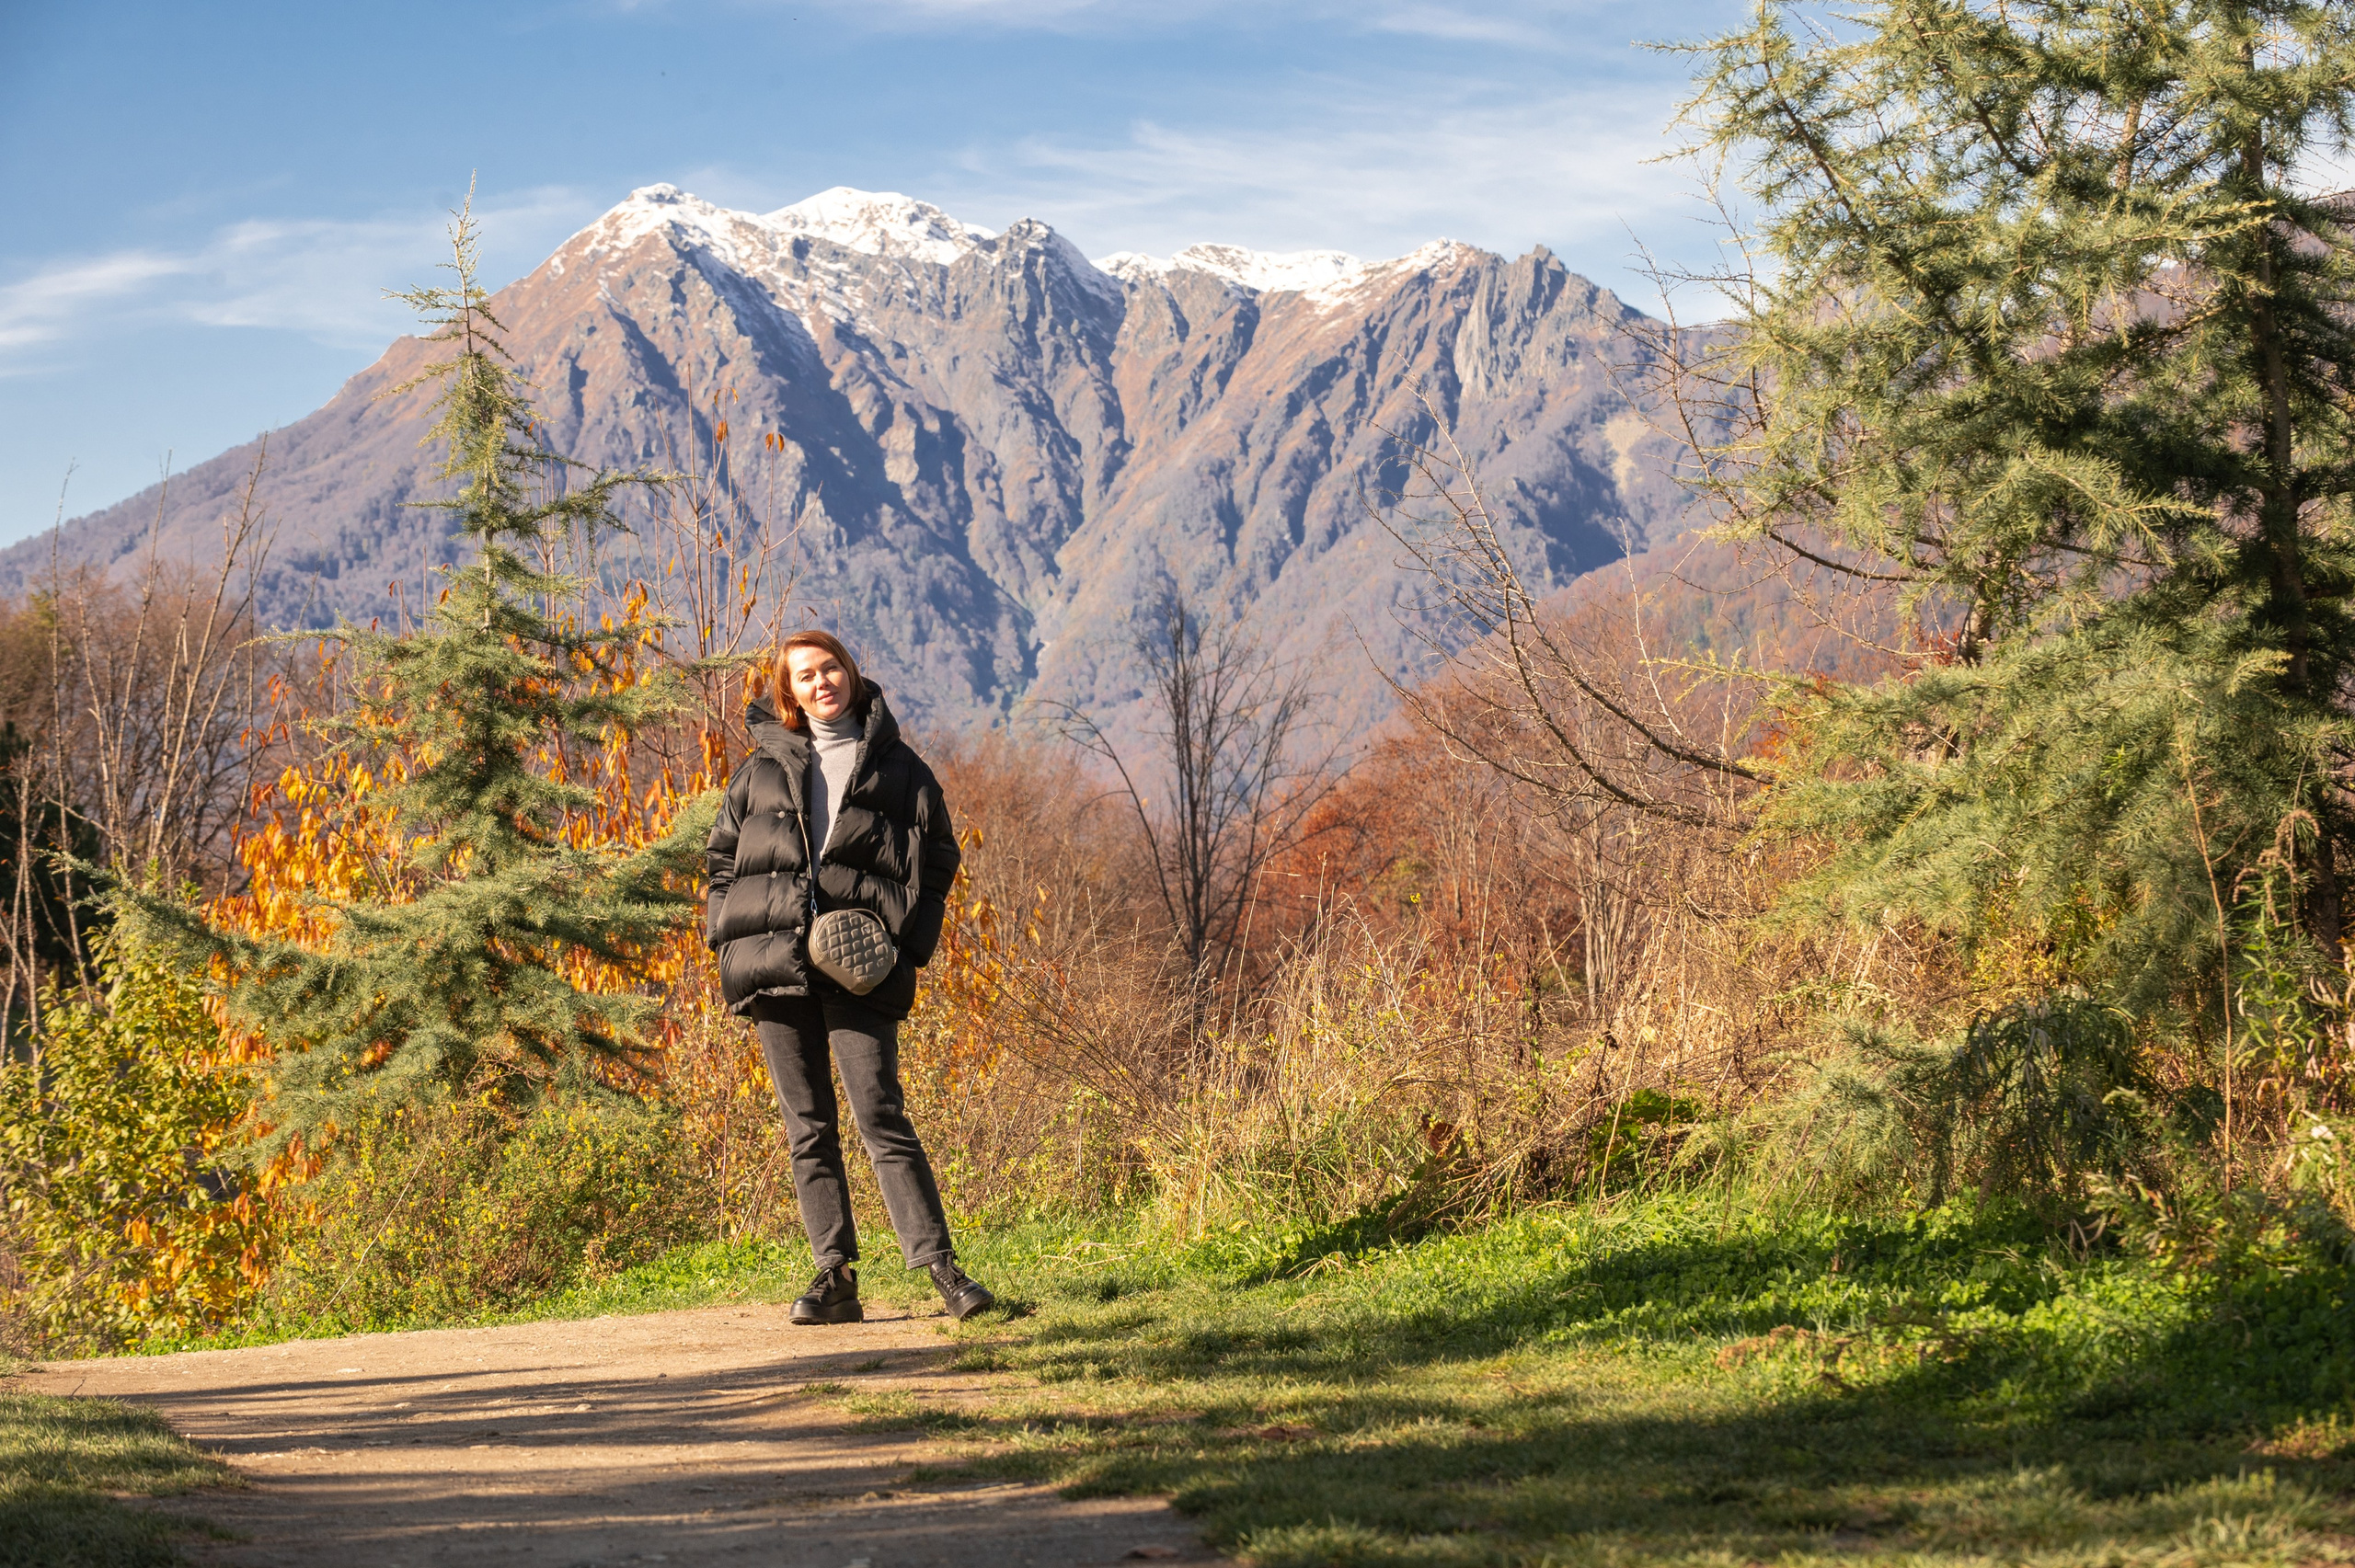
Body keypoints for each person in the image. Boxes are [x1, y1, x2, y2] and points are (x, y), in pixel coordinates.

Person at [703, 629, 996, 1323]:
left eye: (829, 667)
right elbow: (720, 860)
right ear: (790, 693)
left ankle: (943, 1271)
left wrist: (908, 948)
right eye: (802, 676)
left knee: (881, 1116)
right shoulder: (759, 770)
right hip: (775, 966)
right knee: (808, 1126)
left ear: (852, 673)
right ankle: (833, 1276)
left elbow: (941, 861)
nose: (819, 682)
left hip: (859, 965)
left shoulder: (901, 769)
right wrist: (726, 936)